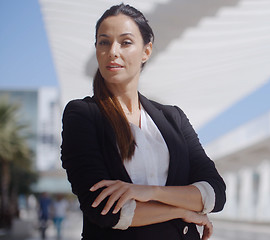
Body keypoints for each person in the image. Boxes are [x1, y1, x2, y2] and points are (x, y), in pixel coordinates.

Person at [60, 4, 226, 240]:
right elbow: (104, 209)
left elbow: (215, 193)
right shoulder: (82, 115)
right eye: (104, 42)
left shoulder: (173, 118)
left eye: (125, 42)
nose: (112, 51)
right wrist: (181, 209)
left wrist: (148, 192)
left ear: (146, 51)